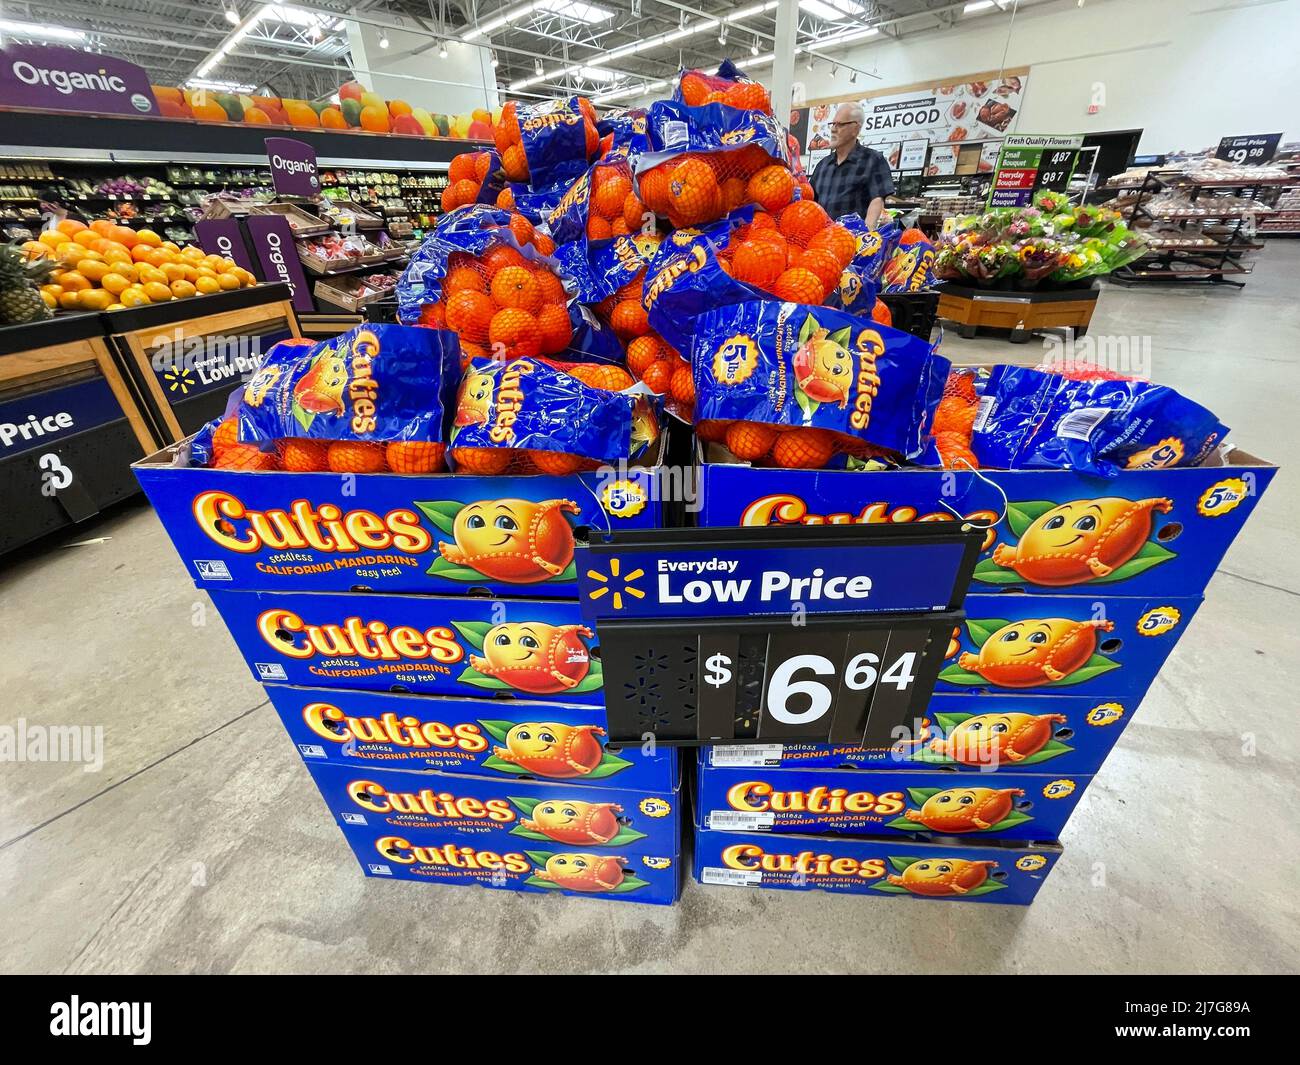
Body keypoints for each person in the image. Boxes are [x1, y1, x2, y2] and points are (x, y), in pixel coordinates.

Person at [810, 102, 894, 227]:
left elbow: (877, 199)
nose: (833, 129)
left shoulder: (872, 160)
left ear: (856, 128)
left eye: (840, 125)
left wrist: (866, 234)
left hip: (852, 241)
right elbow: (811, 204)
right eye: (833, 124)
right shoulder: (822, 165)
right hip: (822, 240)